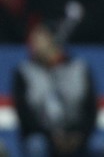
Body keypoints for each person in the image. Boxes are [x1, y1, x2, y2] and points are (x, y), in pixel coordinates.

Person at [12, 22, 98, 156]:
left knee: (97, 144)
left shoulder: (79, 68)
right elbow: (24, 114)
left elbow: (90, 108)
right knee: (36, 144)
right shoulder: (24, 72)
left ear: (53, 39)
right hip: (40, 135)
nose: (33, 43)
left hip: (76, 134)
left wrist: (79, 134)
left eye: (39, 38)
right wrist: (50, 136)